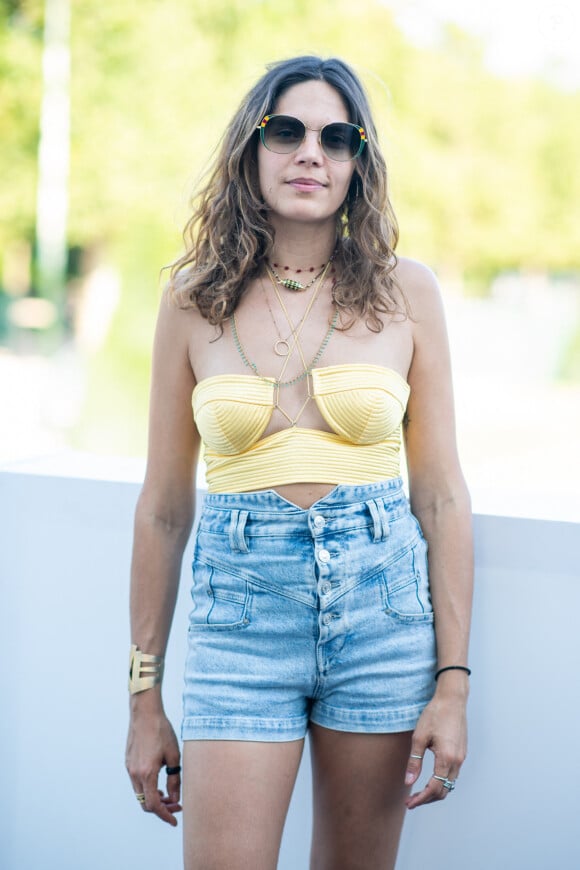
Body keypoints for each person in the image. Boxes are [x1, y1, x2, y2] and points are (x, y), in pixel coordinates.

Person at [125, 55, 473, 870]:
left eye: (336, 137)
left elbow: (443, 497)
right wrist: (144, 696)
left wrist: (452, 684)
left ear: (359, 163)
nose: (310, 152)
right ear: (251, 151)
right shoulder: (191, 299)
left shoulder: (406, 292)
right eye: (286, 131)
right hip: (239, 623)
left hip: (382, 620)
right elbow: (164, 509)